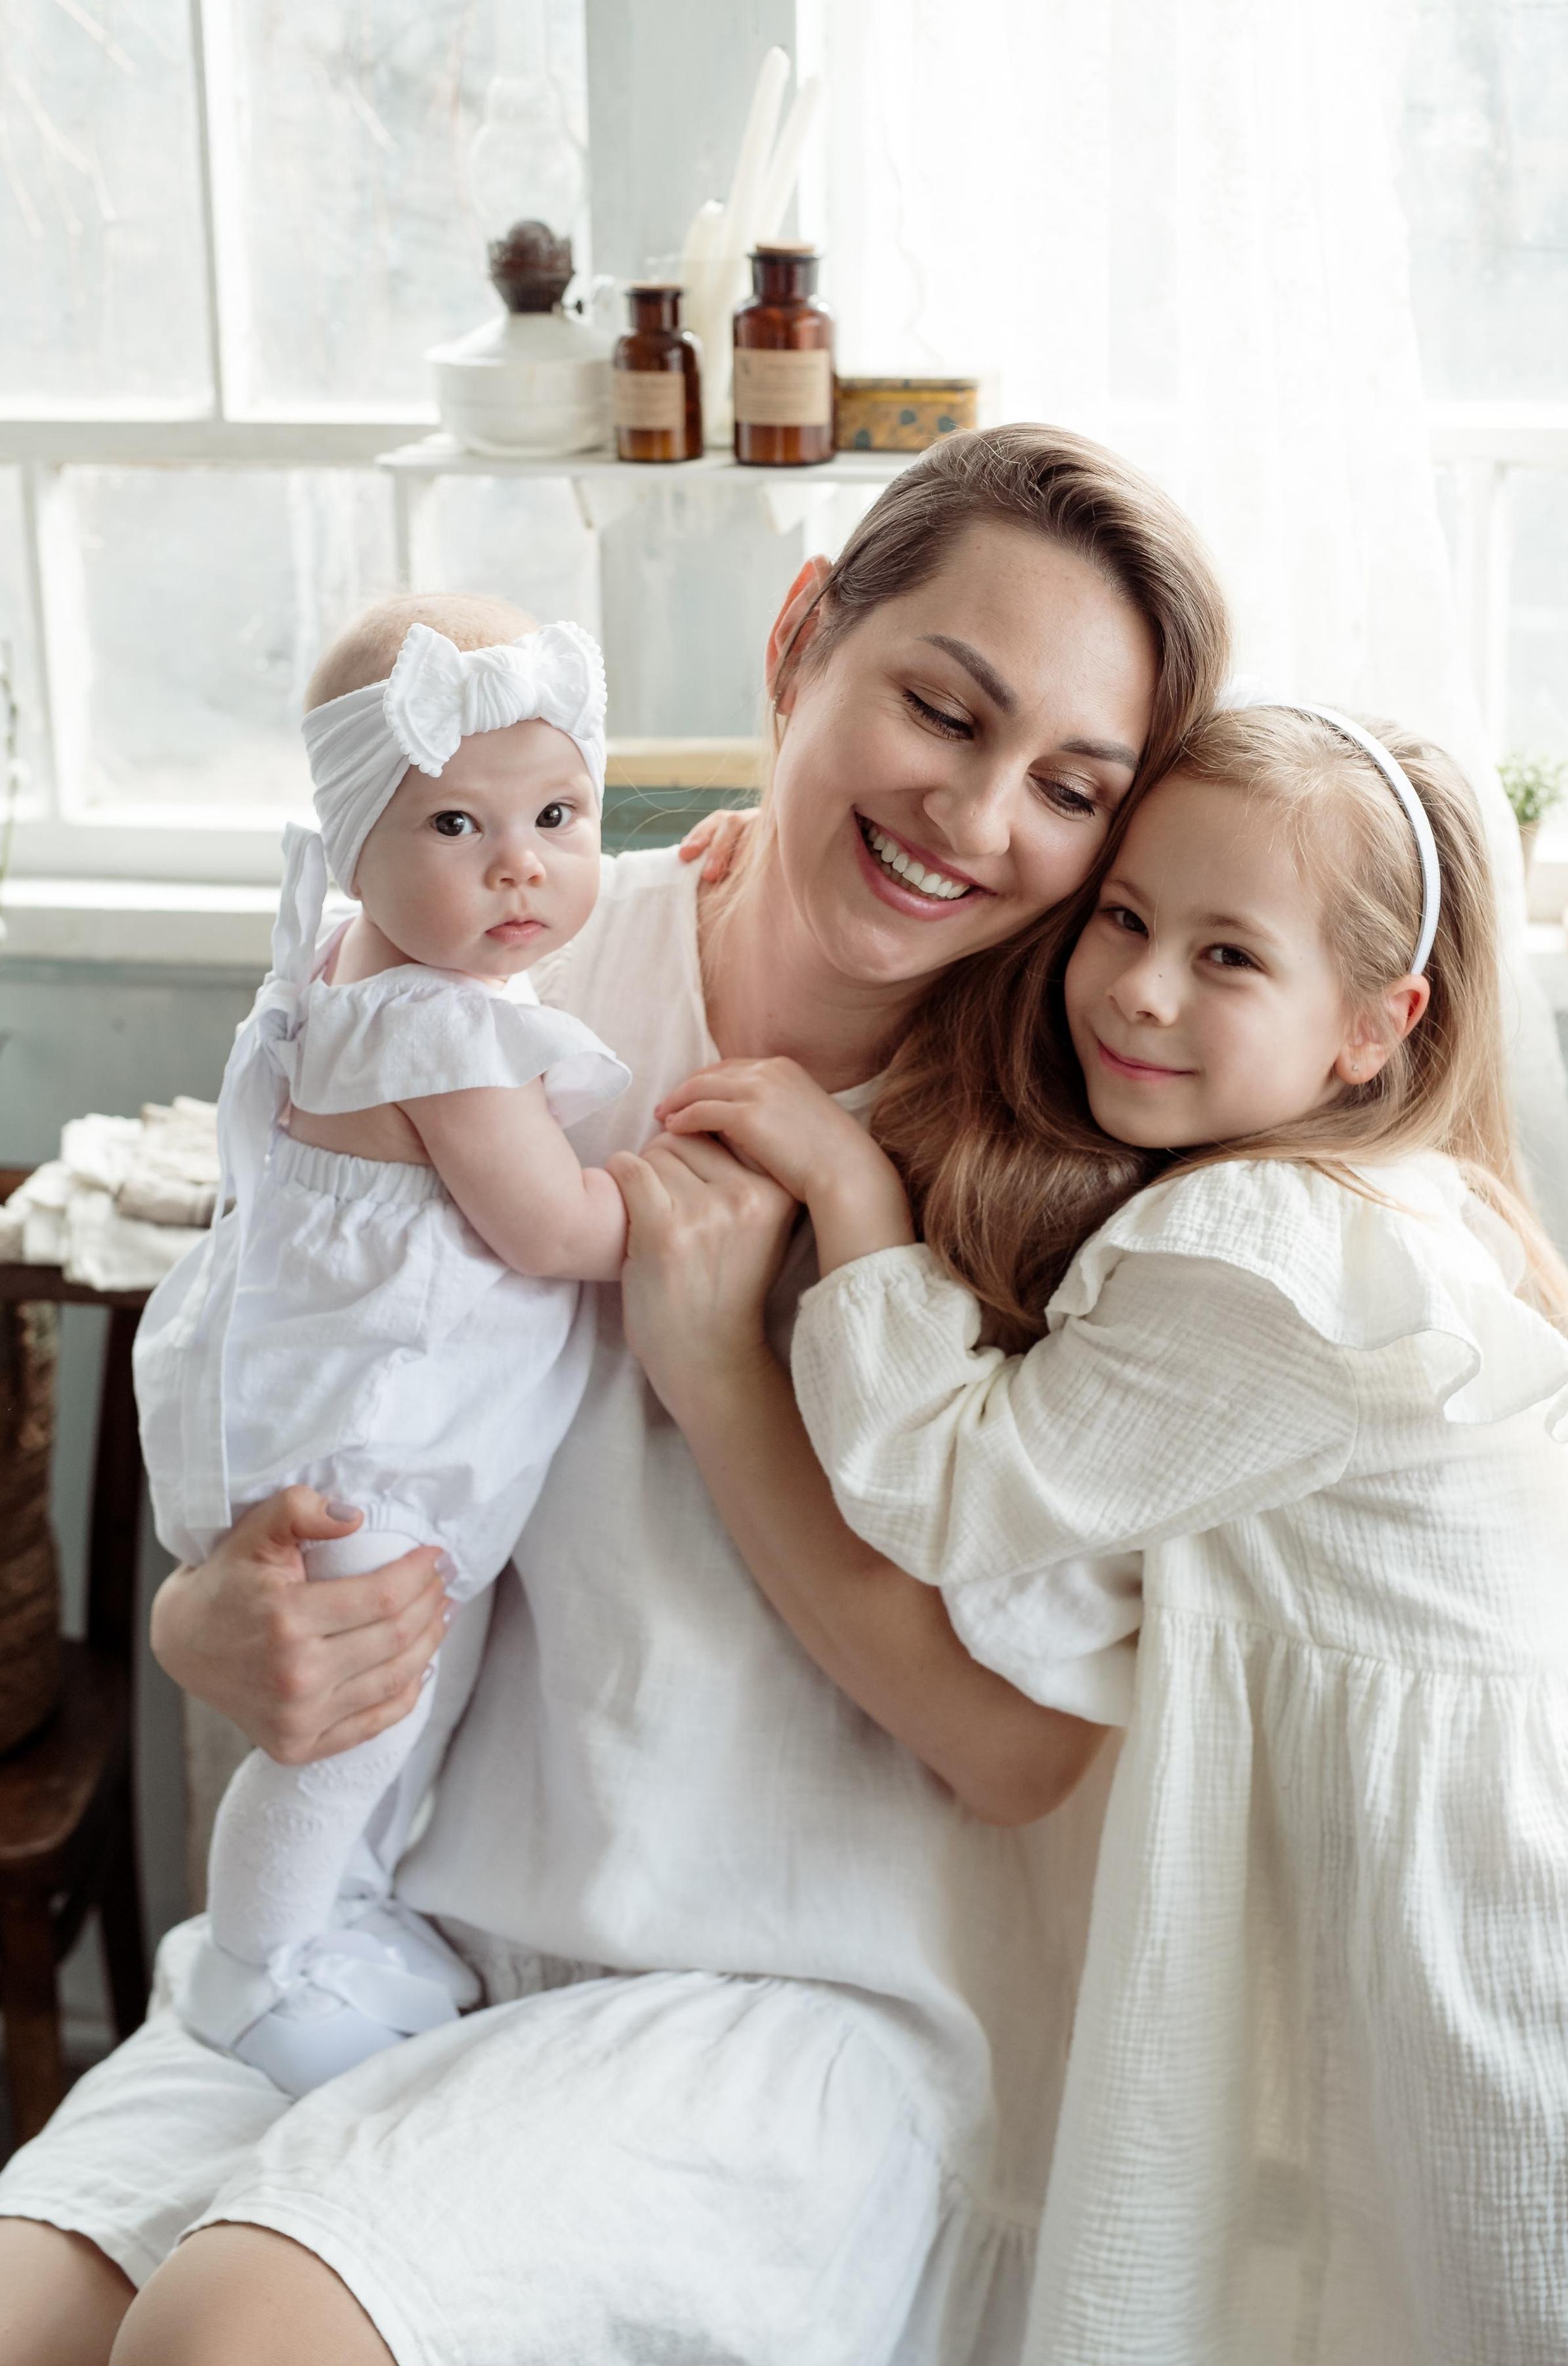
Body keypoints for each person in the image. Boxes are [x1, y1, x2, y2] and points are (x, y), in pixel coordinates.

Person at [0, 425, 1230, 2366]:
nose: (981, 818)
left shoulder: (1060, 1157)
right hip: (408, 1943)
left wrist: (724, 1368)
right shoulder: (489, 958)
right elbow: (271, 1358)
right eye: (940, 706)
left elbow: (1024, 1756)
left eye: (1072, 787)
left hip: (799, 2002)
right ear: (798, 637)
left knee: (230, 2336)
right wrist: (206, 1615)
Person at [625, 700, 1568, 2365]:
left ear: (1370, 1027)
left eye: (1227, 956)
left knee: (1521, 2289)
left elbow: (960, 1489)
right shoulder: (1369, 1196)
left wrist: (851, 1193)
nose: (1137, 986)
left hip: (1469, 1920)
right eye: (1122, 916)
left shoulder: (1263, 1250)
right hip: (1501, 1856)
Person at [134, 597, 630, 2096]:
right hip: (373, 1457)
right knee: (351, 1729)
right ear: (356, 845)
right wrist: (677, 1191)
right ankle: (252, 1965)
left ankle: (344, 1924)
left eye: (556, 814)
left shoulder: (364, 957)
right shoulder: (434, 1028)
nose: (519, 864)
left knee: (397, 1720)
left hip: (339, 1414)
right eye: (459, 826)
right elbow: (557, 1232)